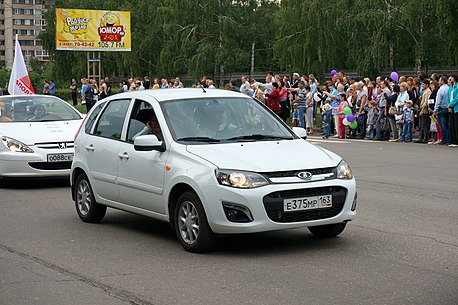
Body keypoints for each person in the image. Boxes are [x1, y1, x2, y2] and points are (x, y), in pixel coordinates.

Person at [433, 76, 450, 145]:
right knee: (447, 124)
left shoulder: (441, 90)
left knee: (442, 125)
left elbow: (438, 101)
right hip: (448, 108)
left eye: (440, 80)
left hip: (442, 108)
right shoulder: (449, 88)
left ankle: (444, 139)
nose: (439, 82)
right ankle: (449, 138)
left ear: (442, 81)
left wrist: (435, 110)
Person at [447, 72, 458, 147]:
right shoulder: (451, 87)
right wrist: (449, 105)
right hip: (451, 108)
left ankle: (457, 141)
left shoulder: (457, 86)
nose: (451, 78)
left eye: (452, 77)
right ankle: (453, 140)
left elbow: (457, 98)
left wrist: (451, 104)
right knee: (452, 124)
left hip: (456, 108)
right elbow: (448, 97)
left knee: (456, 124)